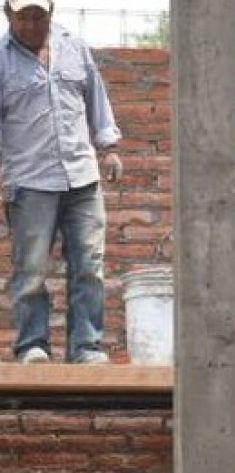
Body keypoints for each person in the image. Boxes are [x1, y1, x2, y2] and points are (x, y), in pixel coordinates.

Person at [1, 0, 122, 364]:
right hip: (30, 181)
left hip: (82, 177)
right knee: (32, 269)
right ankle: (32, 345)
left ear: (52, 12)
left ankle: (86, 347)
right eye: (25, 17)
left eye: (40, 15)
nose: (33, 24)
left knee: (89, 266)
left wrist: (109, 148)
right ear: (8, 15)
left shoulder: (74, 46)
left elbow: (96, 100)